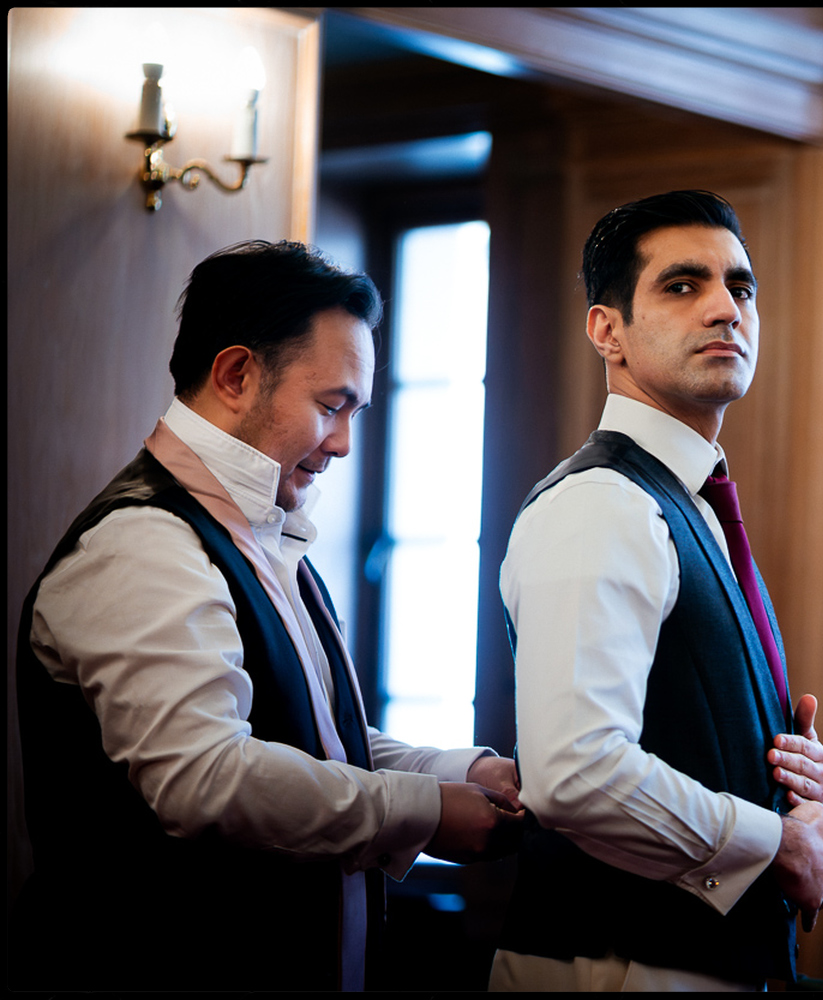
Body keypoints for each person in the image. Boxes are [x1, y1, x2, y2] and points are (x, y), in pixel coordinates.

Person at [14, 241, 524, 992]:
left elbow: (305, 733)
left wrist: (458, 771)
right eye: (331, 406)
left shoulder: (260, 534)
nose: (346, 444)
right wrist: (420, 810)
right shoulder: (143, 542)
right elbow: (206, 778)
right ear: (236, 375)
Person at [493, 190, 823, 991]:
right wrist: (775, 842)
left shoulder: (687, 503)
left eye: (741, 286)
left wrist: (783, 781)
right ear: (606, 330)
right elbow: (575, 771)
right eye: (683, 285)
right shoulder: (602, 503)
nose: (727, 308)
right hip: (616, 967)